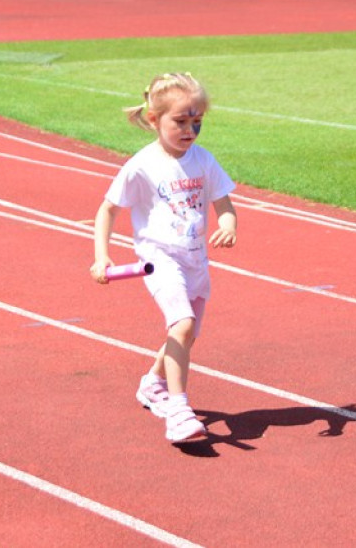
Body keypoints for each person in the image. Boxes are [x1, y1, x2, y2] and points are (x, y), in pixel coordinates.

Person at [90, 72, 238, 443]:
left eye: (197, 122)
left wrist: (228, 223)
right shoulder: (142, 165)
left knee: (185, 335)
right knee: (182, 324)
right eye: (181, 122)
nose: (190, 130)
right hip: (159, 258)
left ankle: (151, 384)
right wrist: (102, 256)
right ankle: (178, 410)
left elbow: (224, 201)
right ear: (154, 120)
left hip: (195, 259)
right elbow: (107, 210)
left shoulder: (203, 160)